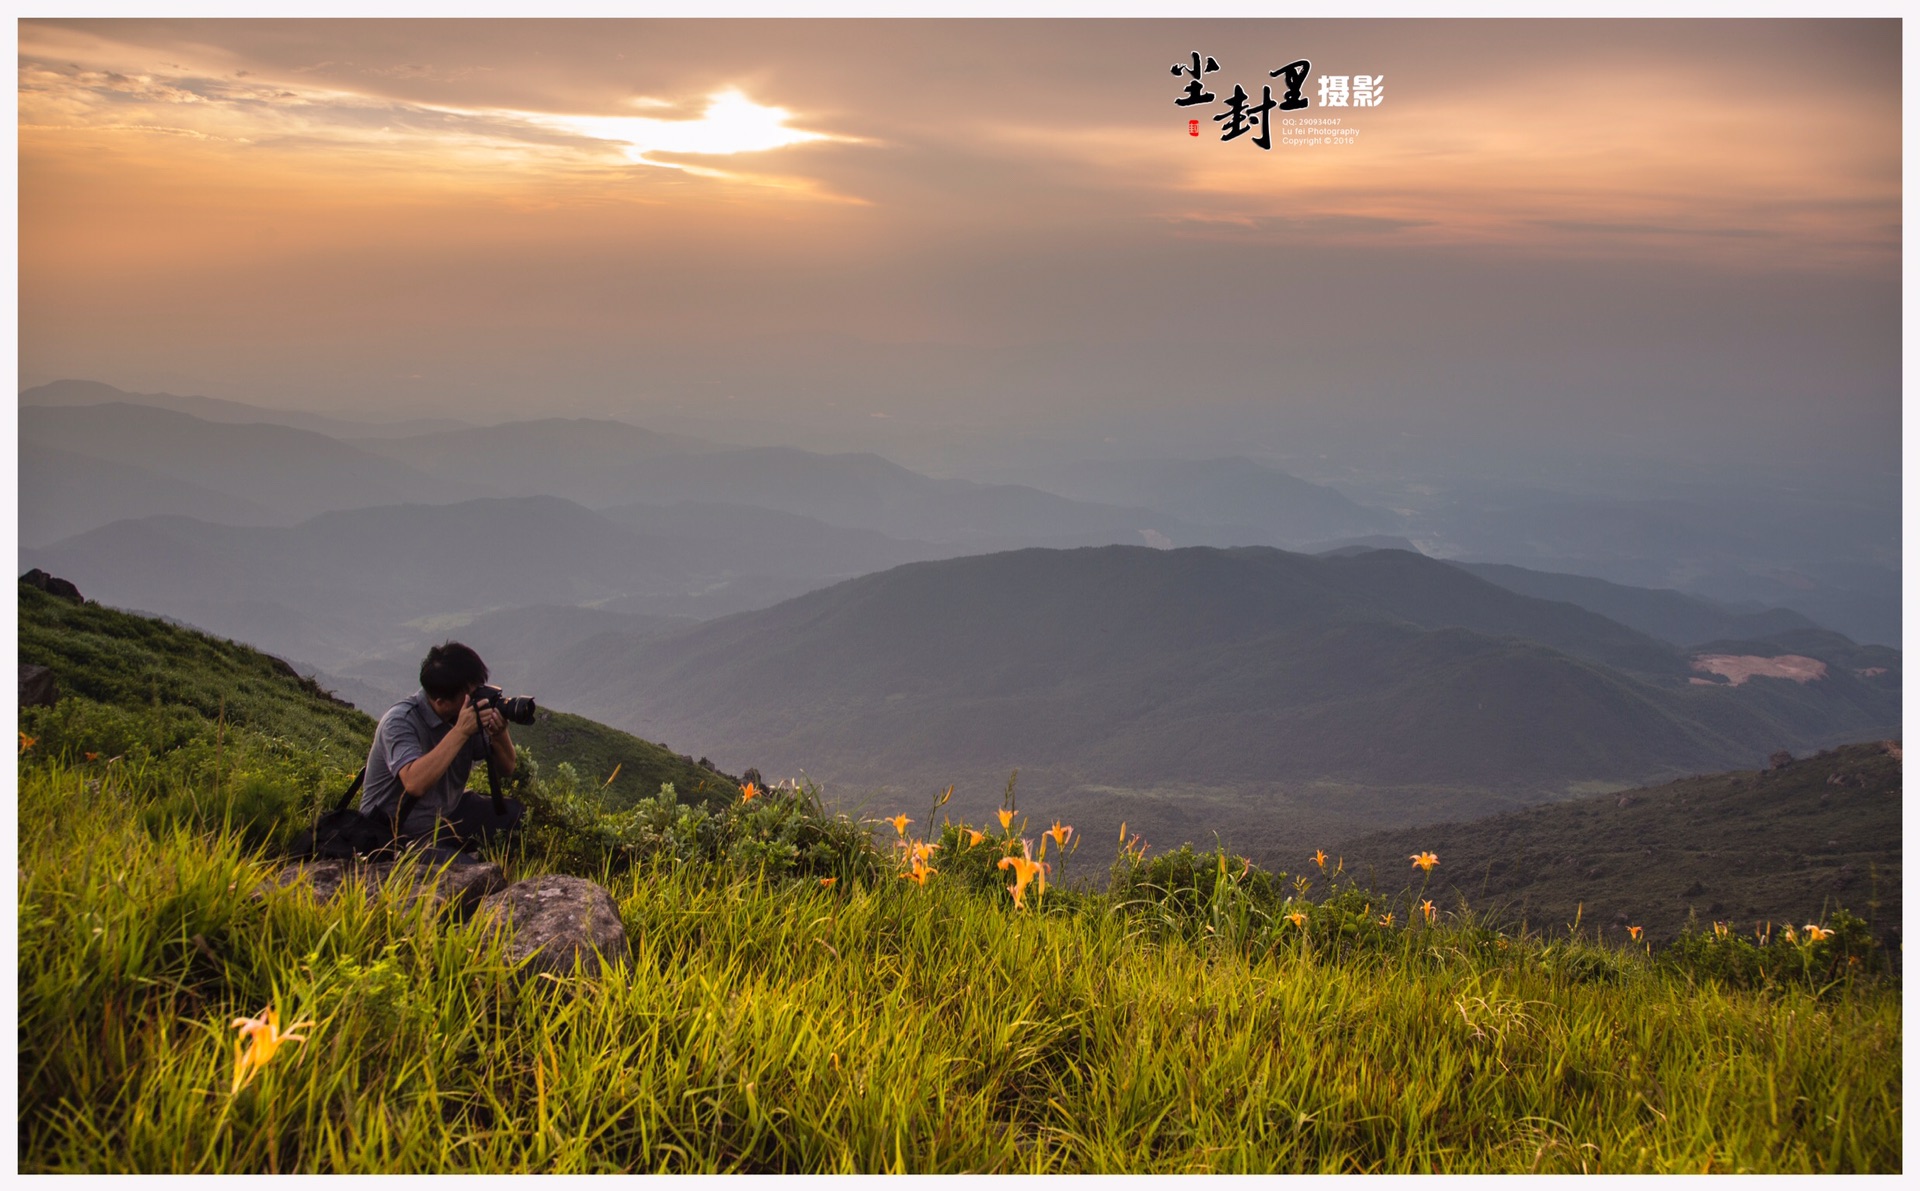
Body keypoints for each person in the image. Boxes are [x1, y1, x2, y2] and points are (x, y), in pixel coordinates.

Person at [360, 641, 523, 853]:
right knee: (456, 874)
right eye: (471, 693)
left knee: (515, 815)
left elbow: (507, 768)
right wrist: (460, 732)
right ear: (440, 701)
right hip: (396, 830)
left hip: (447, 814)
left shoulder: (462, 715)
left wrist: (500, 733)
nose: (477, 698)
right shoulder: (400, 721)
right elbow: (414, 783)